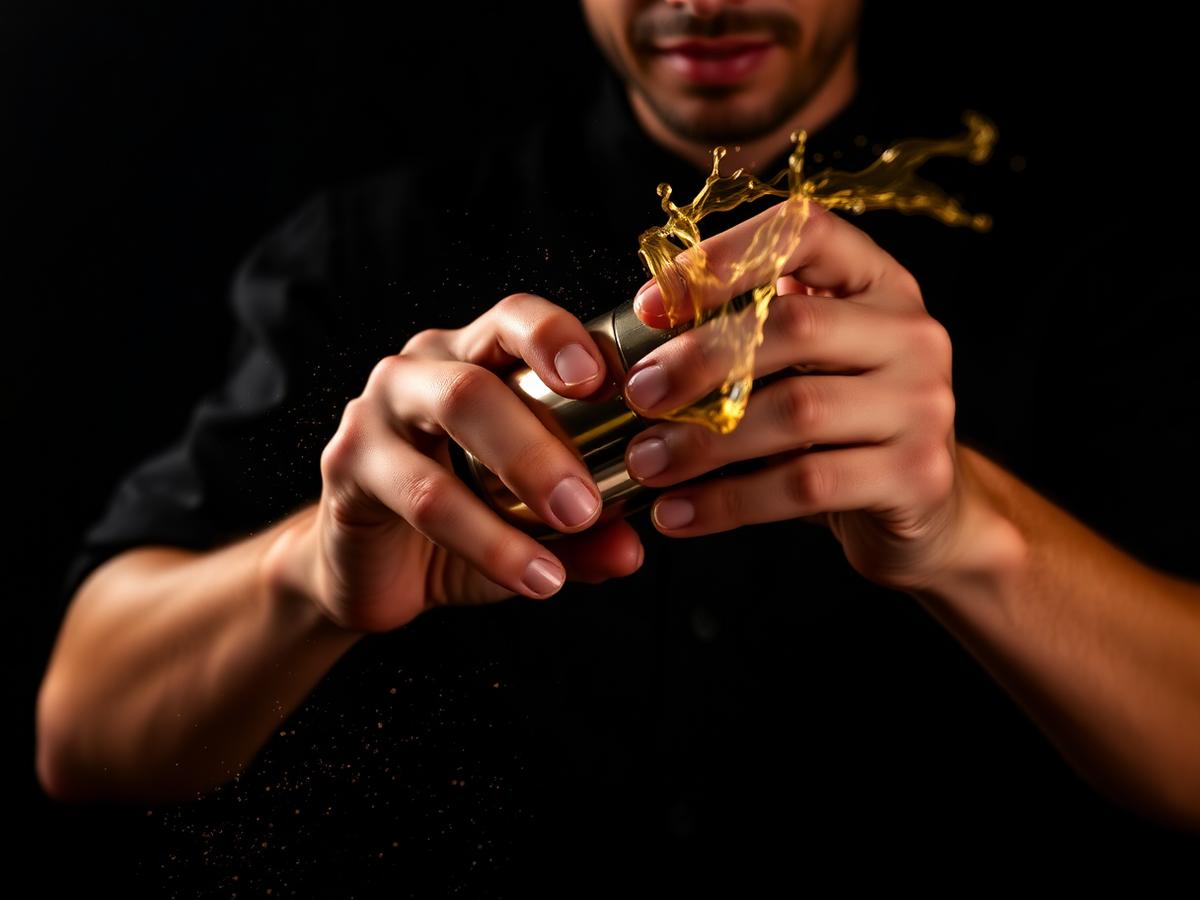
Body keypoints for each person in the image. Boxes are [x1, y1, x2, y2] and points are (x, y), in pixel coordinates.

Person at [36, 0, 1200, 892]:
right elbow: (81, 729)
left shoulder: (1095, 261)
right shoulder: (366, 254)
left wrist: (969, 535)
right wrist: (313, 575)